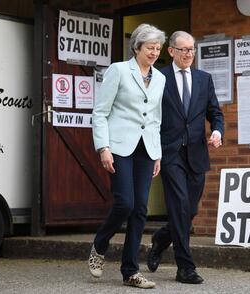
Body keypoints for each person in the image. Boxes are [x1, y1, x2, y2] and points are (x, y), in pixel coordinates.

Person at [89, 24, 166, 289]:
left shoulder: (160, 78)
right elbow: (100, 112)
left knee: (141, 209)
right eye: (150, 48)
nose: (155, 53)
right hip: (119, 147)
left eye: (158, 48)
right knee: (125, 203)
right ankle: (101, 242)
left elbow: (155, 118)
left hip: (147, 149)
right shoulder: (119, 70)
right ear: (136, 47)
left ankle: (130, 271)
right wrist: (103, 148)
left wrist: (156, 154)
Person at [147, 31, 224, 284]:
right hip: (170, 153)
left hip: (197, 153)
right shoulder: (158, 78)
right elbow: (150, 114)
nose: (189, 54)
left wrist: (216, 131)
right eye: (183, 50)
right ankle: (185, 267)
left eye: (192, 49)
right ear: (171, 52)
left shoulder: (204, 79)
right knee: (179, 205)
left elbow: (215, 112)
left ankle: (160, 239)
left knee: (189, 210)